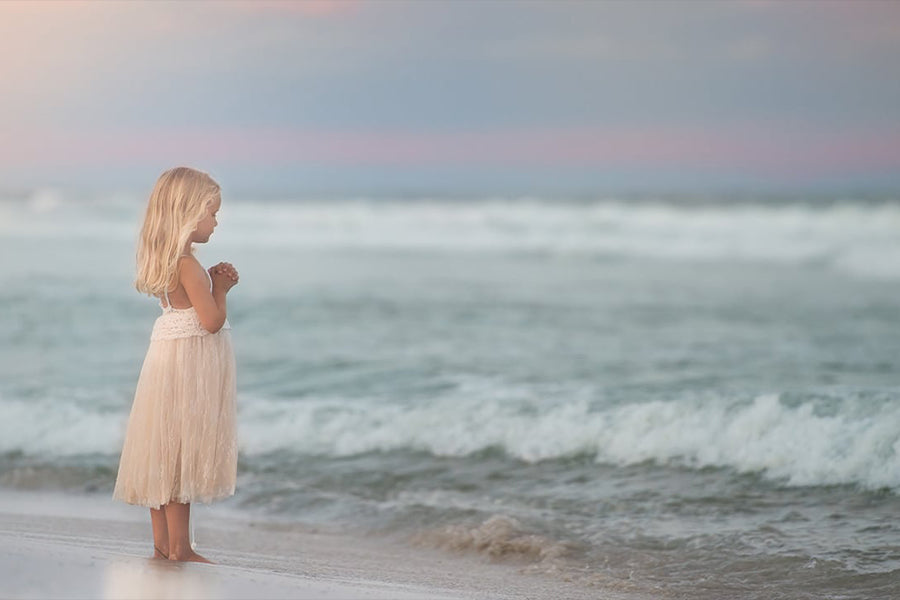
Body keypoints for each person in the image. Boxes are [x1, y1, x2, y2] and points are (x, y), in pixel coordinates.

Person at [112, 166, 239, 563]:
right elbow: (211, 322)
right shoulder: (188, 265)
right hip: (187, 366)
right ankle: (181, 548)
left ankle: (162, 545)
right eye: (211, 212)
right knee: (179, 453)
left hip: (165, 360)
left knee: (161, 449)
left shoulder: (166, 261)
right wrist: (222, 288)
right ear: (188, 213)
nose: (216, 221)